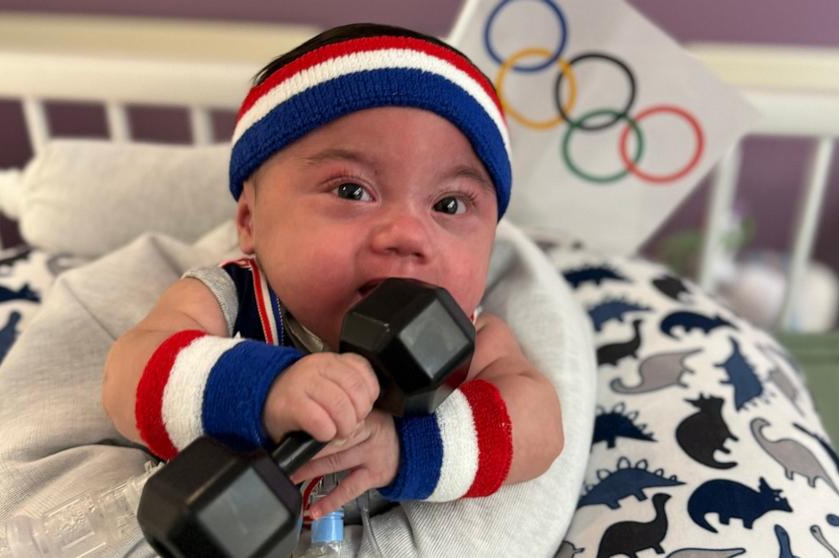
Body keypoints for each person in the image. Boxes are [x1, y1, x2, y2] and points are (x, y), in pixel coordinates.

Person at [101, 22, 564, 520]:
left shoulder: (466, 336)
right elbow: (126, 377)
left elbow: (540, 429)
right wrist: (265, 392)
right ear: (250, 222)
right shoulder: (231, 296)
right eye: (351, 191)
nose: (407, 234)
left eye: (449, 204)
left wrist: (404, 448)